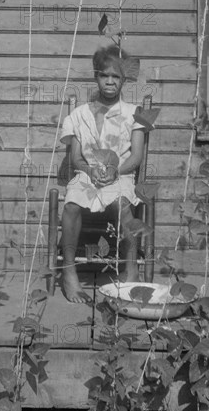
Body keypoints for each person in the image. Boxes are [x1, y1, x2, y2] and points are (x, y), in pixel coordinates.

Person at [59, 45, 145, 303]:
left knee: (122, 204)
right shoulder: (79, 115)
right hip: (88, 174)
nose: (110, 81)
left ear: (124, 80)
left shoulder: (134, 113)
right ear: (96, 76)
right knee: (72, 204)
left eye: (116, 77)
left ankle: (130, 269)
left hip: (121, 174)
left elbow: (136, 157)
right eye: (104, 75)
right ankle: (69, 272)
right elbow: (75, 158)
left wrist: (115, 171)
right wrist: (88, 170)